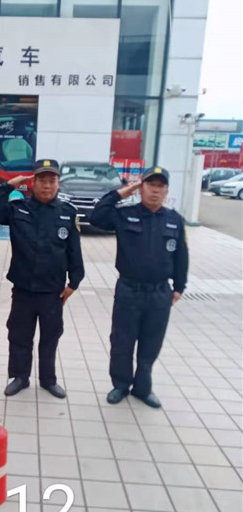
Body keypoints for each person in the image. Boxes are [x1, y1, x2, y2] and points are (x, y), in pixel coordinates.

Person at [90, 166, 189, 408]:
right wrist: (122, 192)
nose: (155, 190)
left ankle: (143, 389)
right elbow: (97, 217)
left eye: (160, 186)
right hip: (129, 290)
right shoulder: (125, 215)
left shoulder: (174, 220)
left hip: (159, 293)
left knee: (151, 343)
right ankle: (121, 385)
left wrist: (179, 287)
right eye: (150, 185)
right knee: (121, 342)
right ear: (141, 188)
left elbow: (181, 256)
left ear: (166, 191)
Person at [0, 159, 85, 399]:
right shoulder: (18, 208)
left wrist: (74, 282)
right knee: (19, 335)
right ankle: (19, 377)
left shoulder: (67, 213)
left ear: (58, 183)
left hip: (53, 291)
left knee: (50, 337)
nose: (47, 185)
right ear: (33, 182)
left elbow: (74, 251)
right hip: (23, 288)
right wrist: (8, 186)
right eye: (42, 180)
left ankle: (48, 380)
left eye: (52, 180)